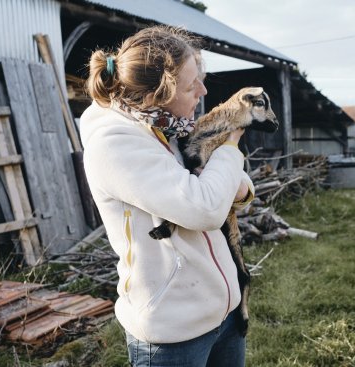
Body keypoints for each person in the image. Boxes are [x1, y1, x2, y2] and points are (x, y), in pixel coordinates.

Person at [80, 25, 254, 367]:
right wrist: (232, 145)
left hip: (226, 311)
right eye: (191, 85)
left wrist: (235, 184)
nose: (202, 91)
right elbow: (204, 208)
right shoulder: (115, 142)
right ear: (155, 95)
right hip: (172, 333)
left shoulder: (170, 124)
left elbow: (234, 186)